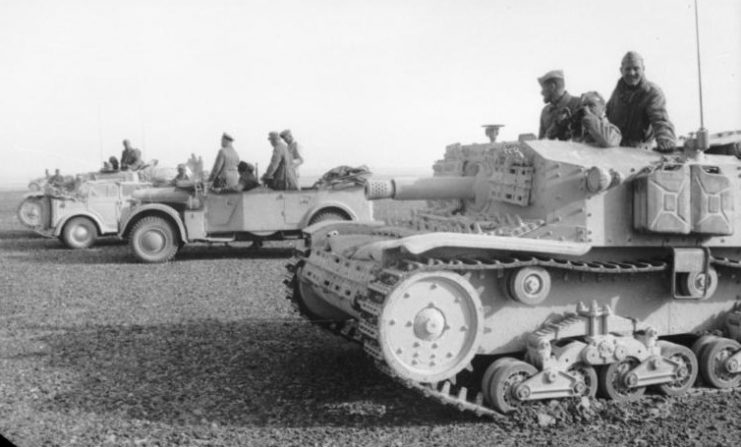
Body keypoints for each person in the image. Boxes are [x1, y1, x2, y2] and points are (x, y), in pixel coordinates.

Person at [606, 51, 676, 152]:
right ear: (621, 70)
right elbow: (607, 115)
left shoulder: (652, 92)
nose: (631, 73)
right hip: (615, 150)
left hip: (640, 152)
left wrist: (666, 139)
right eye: (628, 69)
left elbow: (660, 119)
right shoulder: (618, 91)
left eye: (636, 68)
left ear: (643, 69)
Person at [538, 70, 582, 141]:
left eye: (543, 88)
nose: (542, 92)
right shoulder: (545, 111)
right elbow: (540, 144)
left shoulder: (579, 104)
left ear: (552, 87)